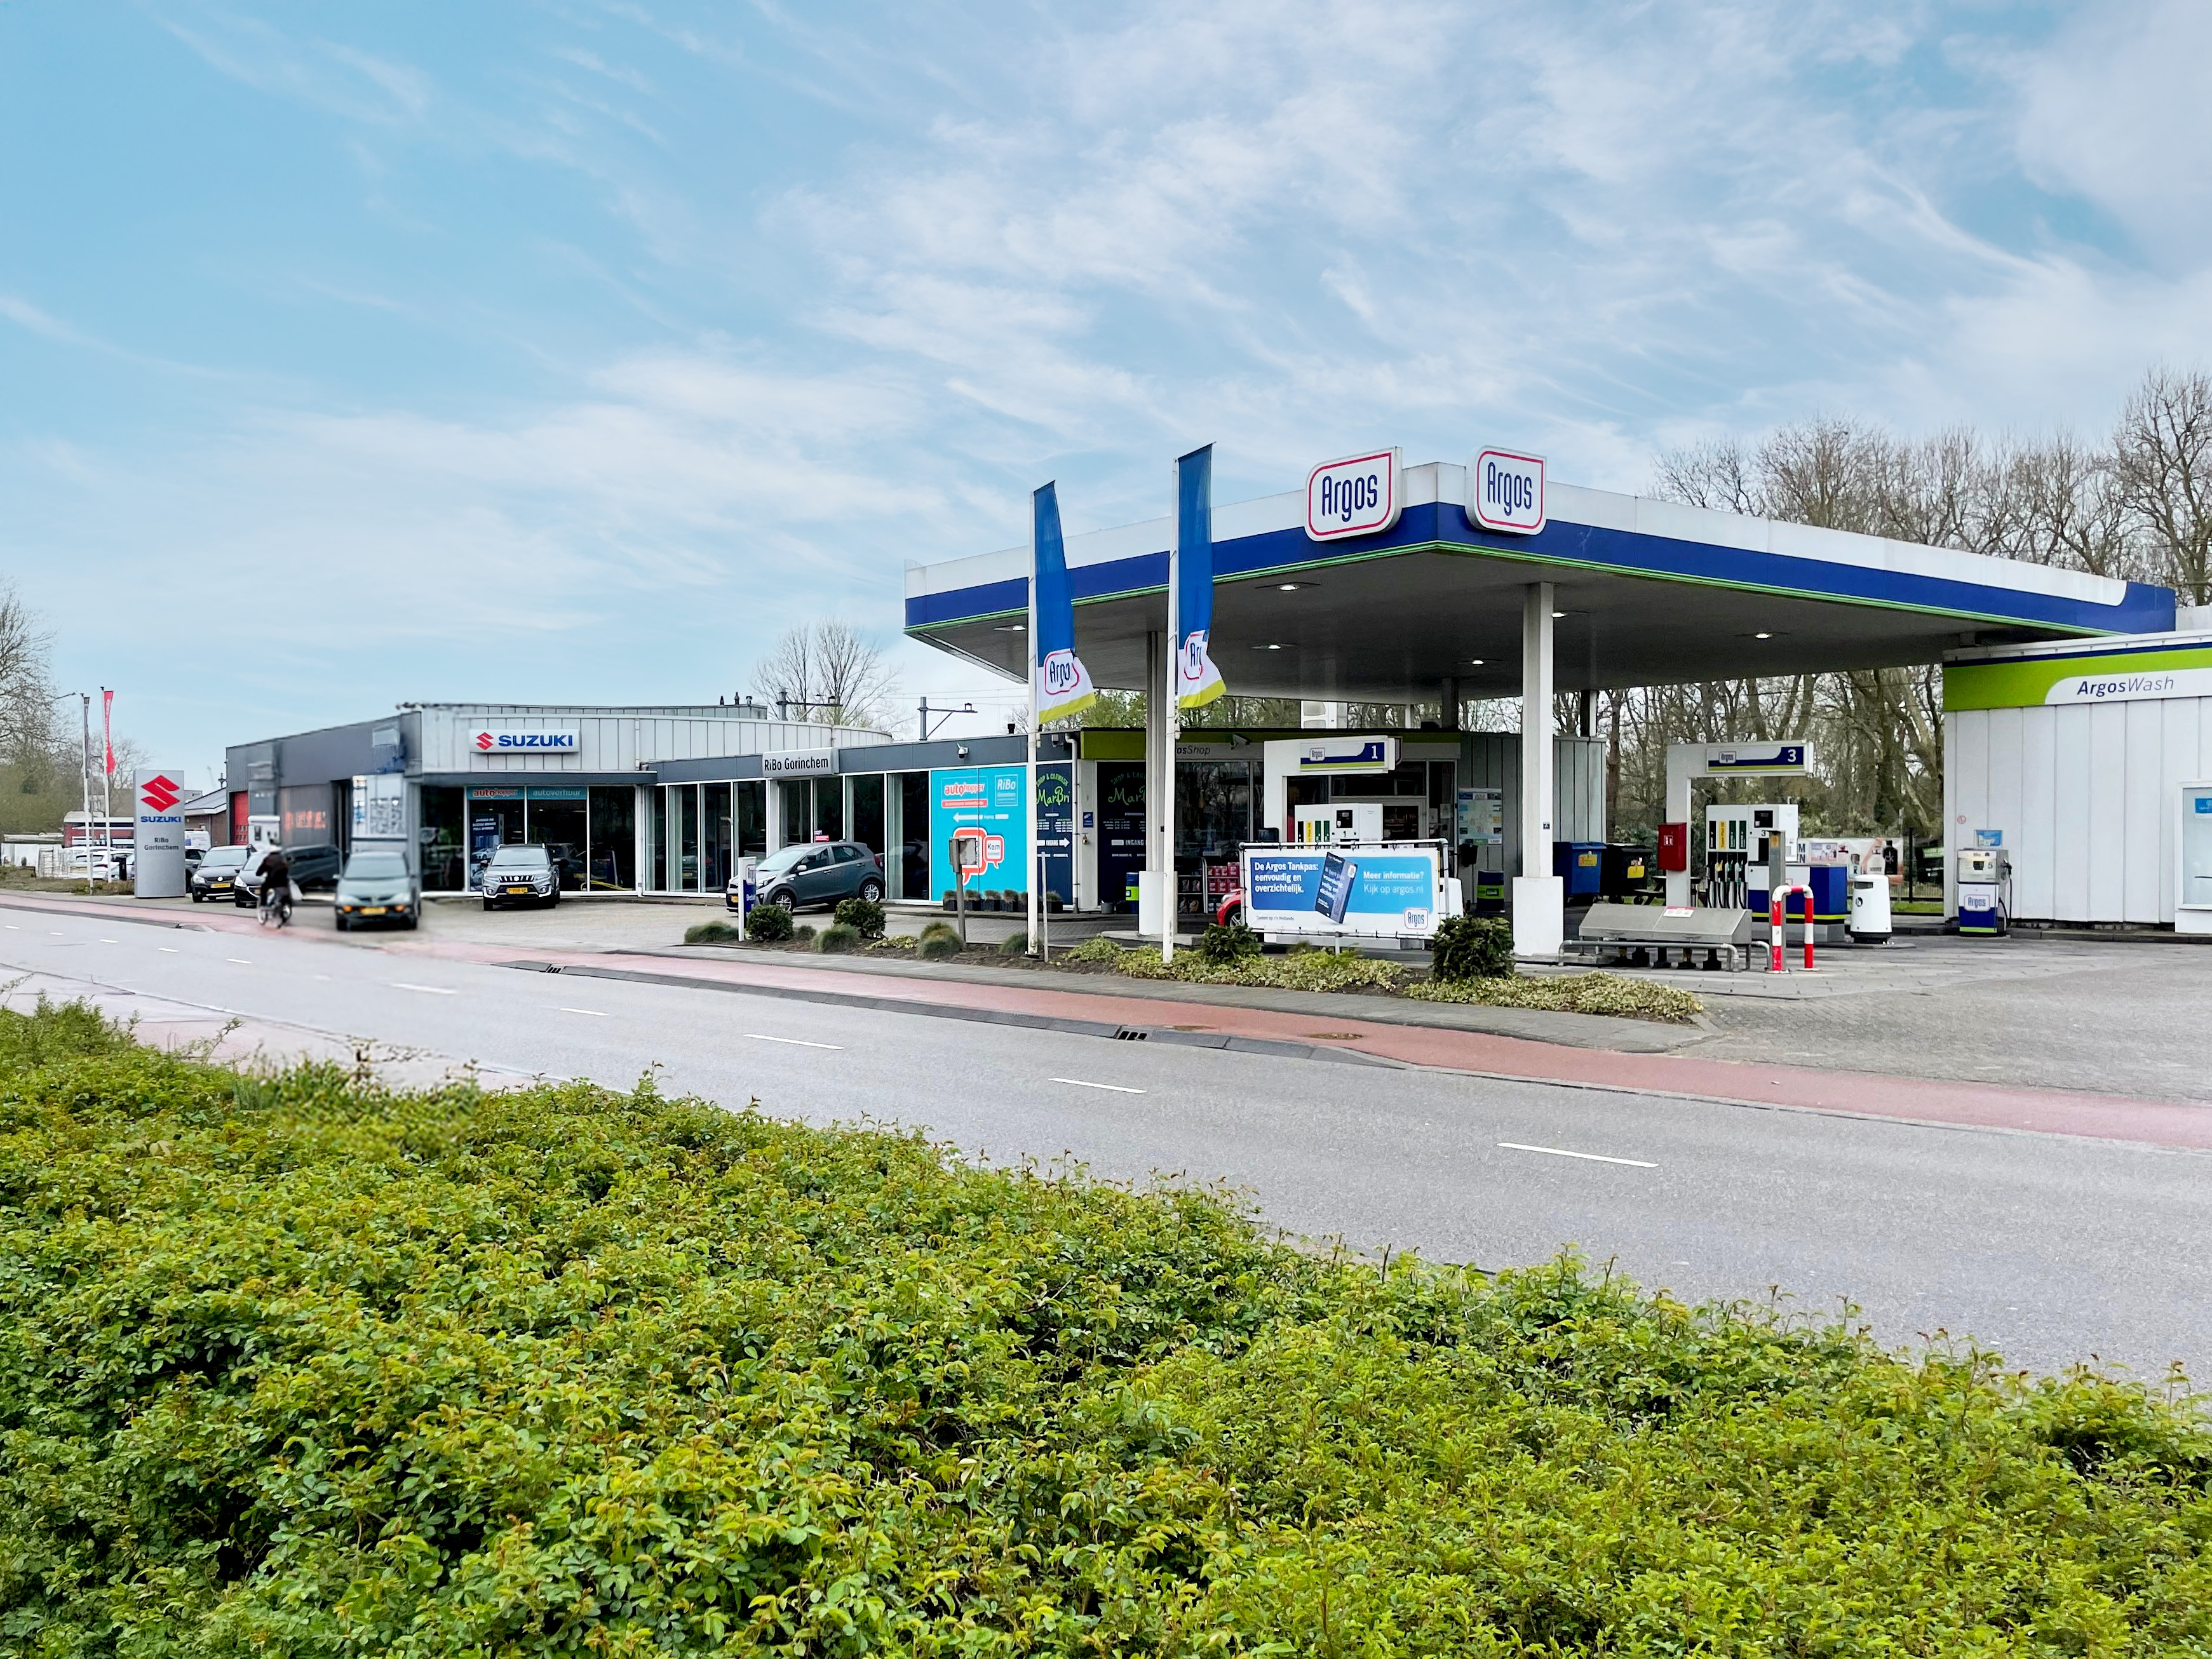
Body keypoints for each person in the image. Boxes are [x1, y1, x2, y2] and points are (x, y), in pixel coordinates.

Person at [258, 845, 293, 923]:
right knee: (287, 891)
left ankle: (263, 905)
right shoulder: (283, 858)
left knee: (264, 889)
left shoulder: (268, 859)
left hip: (272, 881)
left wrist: (258, 873)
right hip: (284, 881)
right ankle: (288, 904)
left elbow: (260, 870)